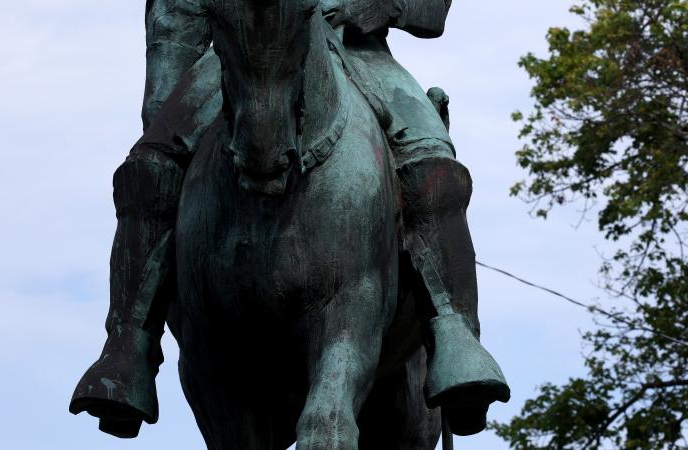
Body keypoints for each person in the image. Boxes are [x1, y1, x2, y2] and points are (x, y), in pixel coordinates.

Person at [70, 0, 509, 439]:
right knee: (147, 172)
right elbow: (173, 13)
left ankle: (454, 331)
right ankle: (129, 346)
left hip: (356, 56)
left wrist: (381, 5)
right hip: (237, 54)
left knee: (433, 168)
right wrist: (165, 103)